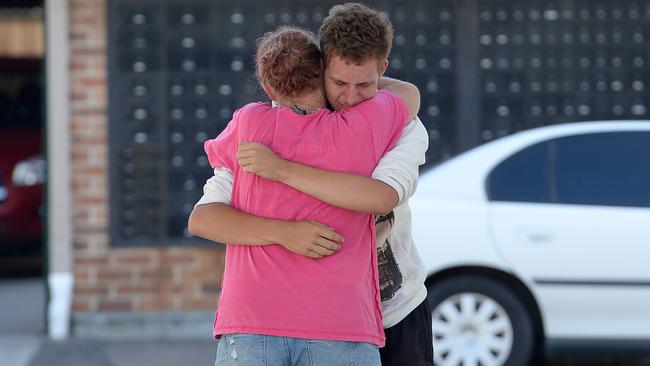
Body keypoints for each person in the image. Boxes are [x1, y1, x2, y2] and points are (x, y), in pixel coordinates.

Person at [190, 3, 433, 365]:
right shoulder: (268, 122)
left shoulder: (401, 126)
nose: (350, 98)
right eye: (339, 83)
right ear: (321, 68)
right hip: (320, 320)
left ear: (382, 72)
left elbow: (380, 197)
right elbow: (205, 218)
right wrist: (285, 232)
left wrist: (281, 169)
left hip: (395, 306)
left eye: (365, 84)